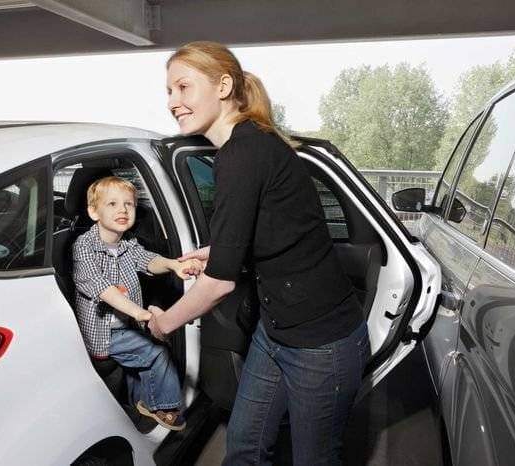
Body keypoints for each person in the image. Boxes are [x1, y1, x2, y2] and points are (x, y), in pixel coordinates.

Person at [146, 41, 370, 464]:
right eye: (169, 92)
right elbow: (275, 231)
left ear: (224, 85)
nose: (173, 102)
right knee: (245, 446)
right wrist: (217, 252)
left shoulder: (242, 154)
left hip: (320, 345)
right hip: (277, 331)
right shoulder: (250, 146)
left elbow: (217, 287)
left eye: (183, 87)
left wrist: (165, 323)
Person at [72, 175, 202, 431]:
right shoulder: (83, 246)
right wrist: (142, 314)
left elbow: (148, 260)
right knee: (157, 354)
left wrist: (173, 264)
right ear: (93, 211)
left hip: (124, 324)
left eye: (128, 204)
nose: (122, 209)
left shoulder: (127, 243)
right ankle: (162, 406)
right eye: (112, 204)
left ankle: (139, 402)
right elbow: (103, 290)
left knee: (144, 356)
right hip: (102, 333)